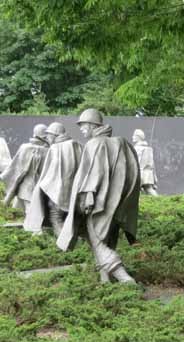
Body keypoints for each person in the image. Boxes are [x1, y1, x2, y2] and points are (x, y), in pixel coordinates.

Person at [57, 108, 141, 284]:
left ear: (93, 125)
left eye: (83, 125)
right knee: (107, 240)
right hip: (115, 204)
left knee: (96, 241)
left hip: (96, 204)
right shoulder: (119, 143)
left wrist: (88, 196)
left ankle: (125, 279)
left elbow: (92, 173)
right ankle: (105, 282)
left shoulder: (94, 144)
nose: (81, 129)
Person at [24, 122, 82, 236]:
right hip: (75, 191)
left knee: (55, 217)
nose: (48, 138)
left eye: (49, 135)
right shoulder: (77, 145)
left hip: (57, 192)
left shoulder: (55, 148)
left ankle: (63, 242)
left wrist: (42, 187)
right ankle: (73, 238)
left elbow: (50, 174)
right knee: (71, 218)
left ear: (55, 135)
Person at [0, 124, 49, 216]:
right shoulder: (48, 150)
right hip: (37, 185)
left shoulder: (25, 147)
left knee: (30, 208)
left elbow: (14, 167)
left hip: (26, 185)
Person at [132, 129, 159, 196]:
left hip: (139, 172)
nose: (132, 137)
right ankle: (159, 200)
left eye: (134, 135)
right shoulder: (149, 149)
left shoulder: (136, 149)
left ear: (138, 137)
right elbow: (153, 165)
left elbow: (134, 162)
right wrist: (154, 176)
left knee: (136, 190)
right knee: (148, 189)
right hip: (148, 173)